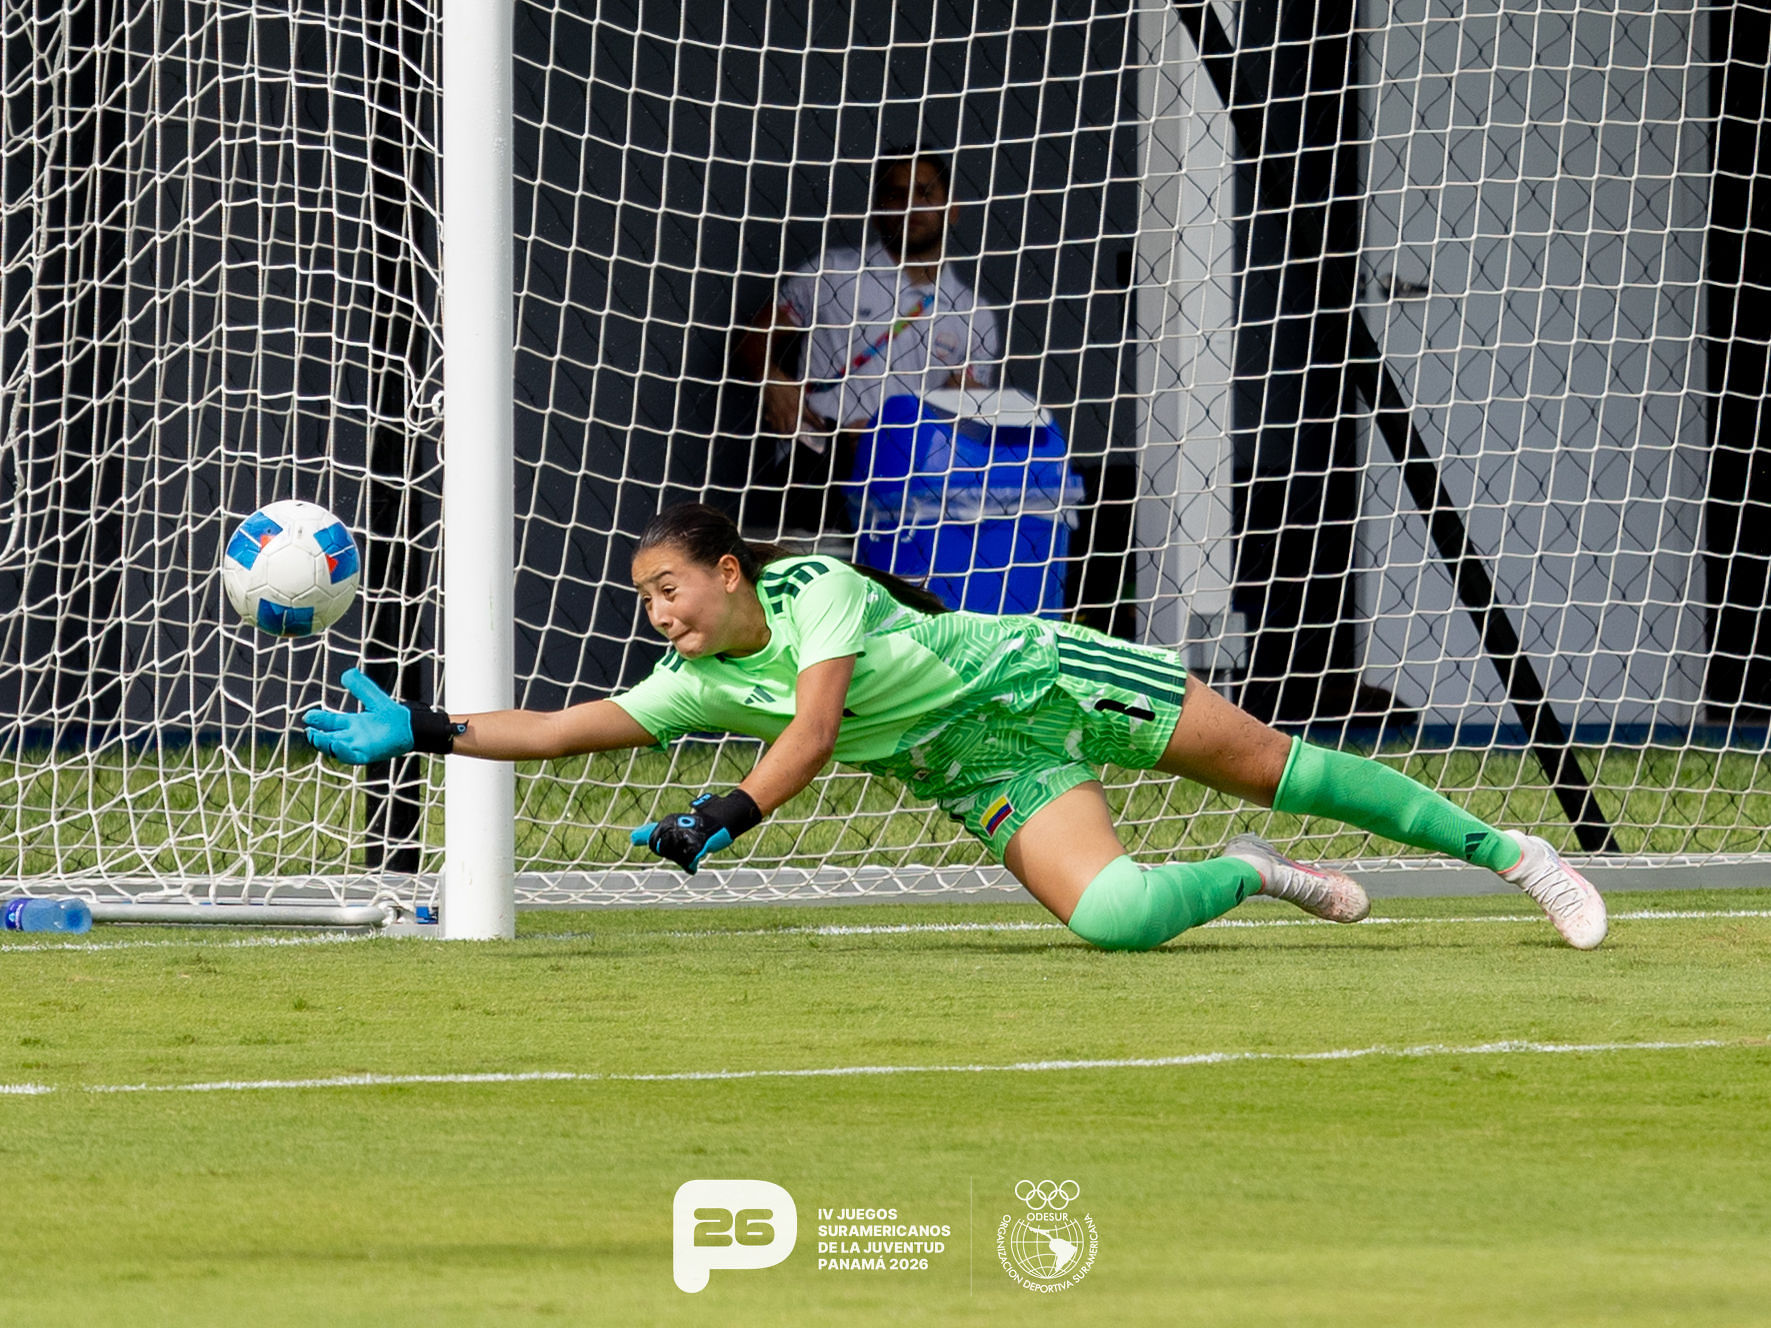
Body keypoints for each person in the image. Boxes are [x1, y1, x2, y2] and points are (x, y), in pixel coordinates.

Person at [304, 503, 1608, 952]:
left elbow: (811, 736)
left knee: (1281, 768)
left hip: (1039, 679)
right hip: (977, 765)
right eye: (642, 600)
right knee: (1114, 920)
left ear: (726, 573)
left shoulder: (814, 589)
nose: (653, 616)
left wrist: (725, 812)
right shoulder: (703, 679)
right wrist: (416, 726)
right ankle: (1250, 880)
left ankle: (1514, 858)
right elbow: (559, 729)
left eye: (664, 590)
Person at [732, 148, 1001, 535]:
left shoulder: (972, 314)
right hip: (818, 465)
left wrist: (909, 427)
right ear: (877, 210)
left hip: (912, 479)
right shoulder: (832, 273)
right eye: (896, 194)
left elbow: (964, 419)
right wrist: (772, 380)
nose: (911, 206)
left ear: (952, 209)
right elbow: (751, 343)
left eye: (925, 193)